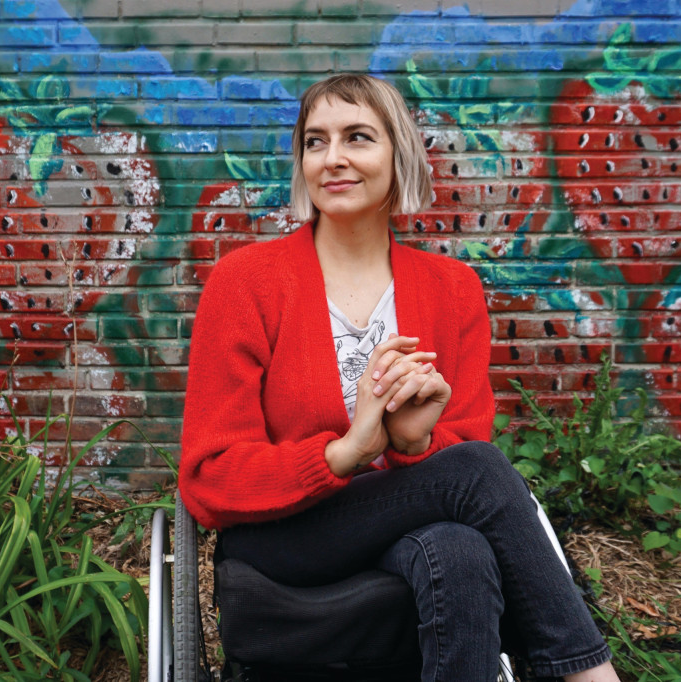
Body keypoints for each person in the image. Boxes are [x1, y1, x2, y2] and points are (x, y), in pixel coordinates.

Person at [179, 74, 621, 682]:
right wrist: (347, 451)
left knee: (461, 552)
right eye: (315, 141)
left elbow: (458, 450)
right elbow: (209, 479)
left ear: (399, 155)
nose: (332, 158)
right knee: (481, 470)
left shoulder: (452, 290)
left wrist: (414, 444)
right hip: (285, 535)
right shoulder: (247, 283)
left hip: (403, 526)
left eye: (357, 137)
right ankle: (587, 673)